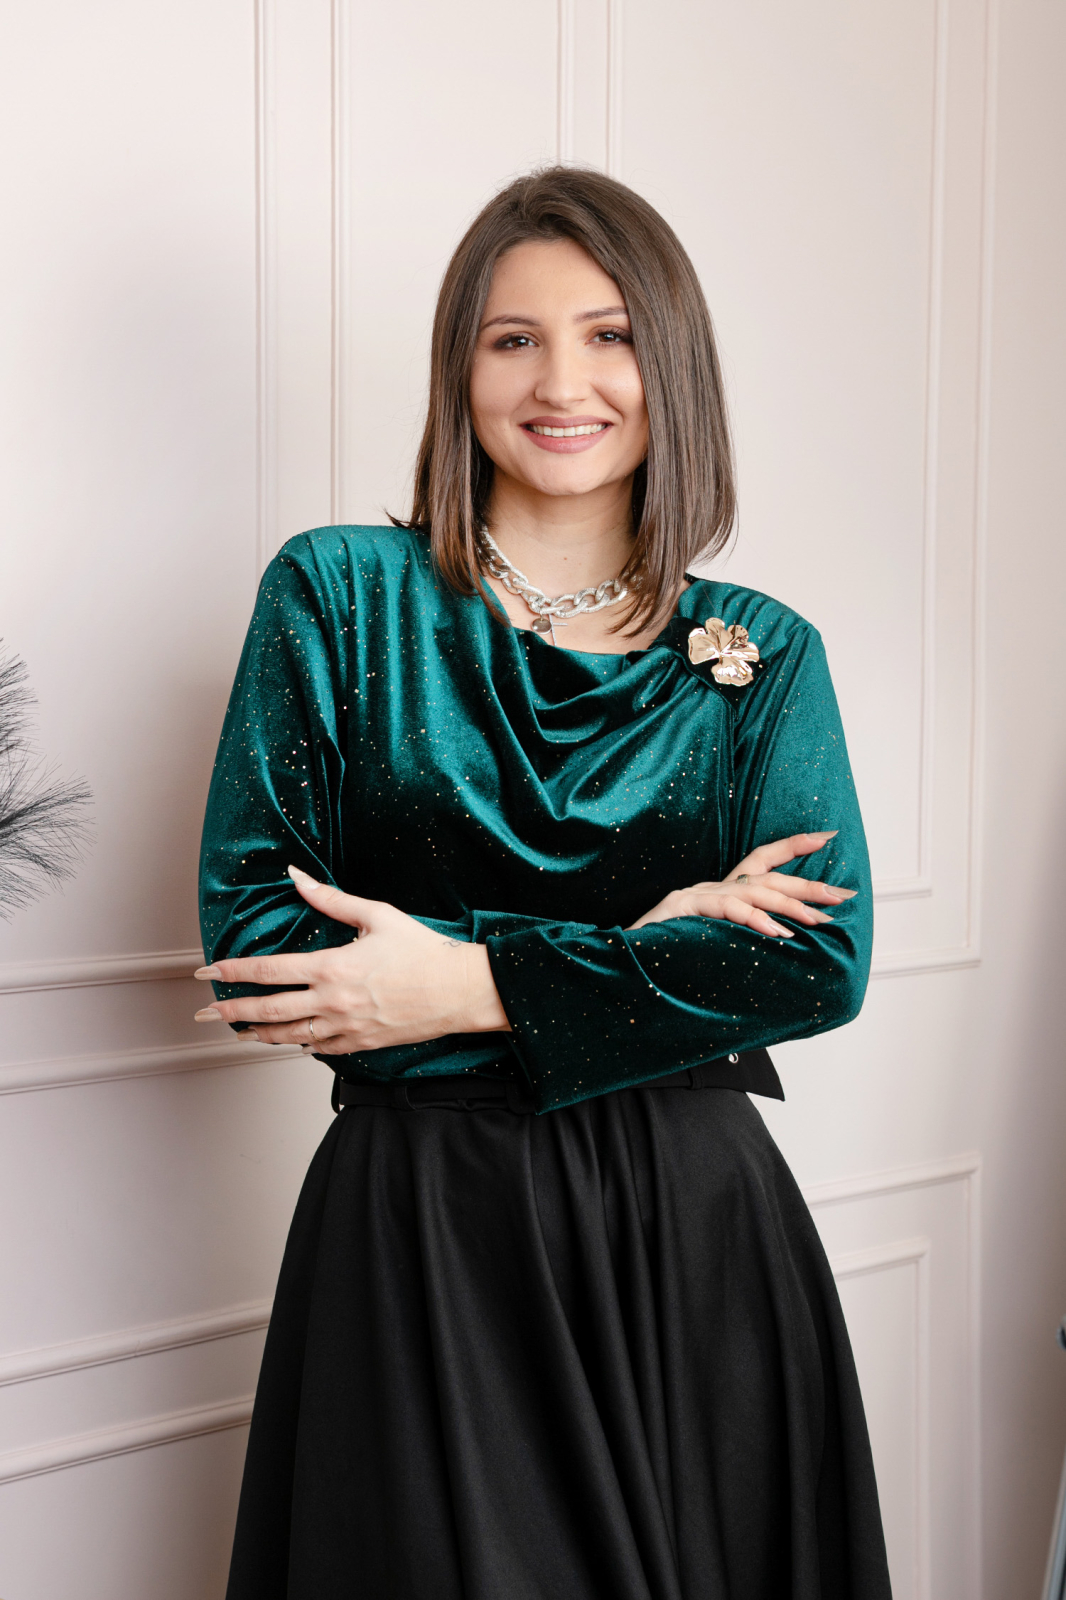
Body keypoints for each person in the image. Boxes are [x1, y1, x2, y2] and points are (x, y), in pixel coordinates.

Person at [196, 166, 892, 1599]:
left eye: (609, 335)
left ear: (669, 364)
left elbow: (809, 966)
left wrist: (461, 980)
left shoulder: (765, 651)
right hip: (428, 1227)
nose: (561, 382)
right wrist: (641, 952)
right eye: (513, 338)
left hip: (693, 1234)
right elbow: (264, 953)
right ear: (459, 369)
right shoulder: (339, 595)